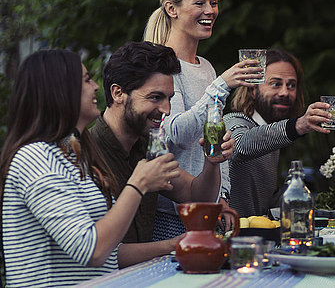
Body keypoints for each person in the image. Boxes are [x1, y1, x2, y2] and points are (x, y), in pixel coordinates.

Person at [0, 49, 179, 286]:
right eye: (86, 80)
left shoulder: (75, 153)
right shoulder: (35, 158)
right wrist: (138, 184)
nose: (95, 86)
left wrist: (174, 246)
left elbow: (110, 253)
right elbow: (92, 251)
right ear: (59, 90)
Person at [143, 0, 261, 239]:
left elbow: (213, 142)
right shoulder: (160, 64)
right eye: (200, 3)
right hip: (172, 217)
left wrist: (223, 197)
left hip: (208, 211)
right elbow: (172, 133)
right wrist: (222, 85)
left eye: (214, 2)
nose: (210, 10)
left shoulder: (205, 66)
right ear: (172, 8)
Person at [89, 41, 234, 262]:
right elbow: (101, 253)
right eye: (155, 97)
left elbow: (197, 196)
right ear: (118, 93)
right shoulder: (86, 155)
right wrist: (176, 244)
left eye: (169, 98)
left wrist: (212, 162)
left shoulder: (151, 146)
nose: (166, 110)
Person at [224, 48, 331, 217]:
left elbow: (264, 205)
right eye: (275, 84)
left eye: (291, 85)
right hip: (229, 238)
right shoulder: (234, 121)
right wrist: (298, 125)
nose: (284, 92)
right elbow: (239, 146)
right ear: (252, 89)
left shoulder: (273, 136)